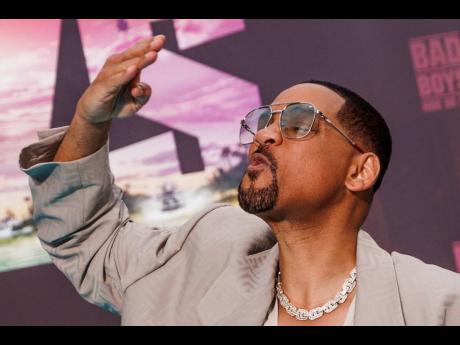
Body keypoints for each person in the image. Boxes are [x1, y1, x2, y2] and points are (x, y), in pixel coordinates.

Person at [19, 35, 460, 325]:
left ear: (359, 171)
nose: (264, 134)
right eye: (263, 120)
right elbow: (86, 238)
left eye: (299, 122)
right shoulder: (203, 259)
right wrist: (88, 121)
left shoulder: (436, 305)